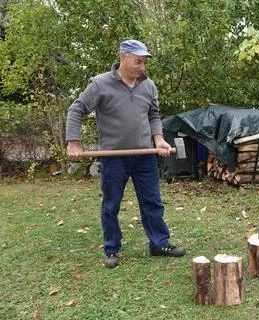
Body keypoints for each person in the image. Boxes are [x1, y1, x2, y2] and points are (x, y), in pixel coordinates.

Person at [66, 39, 185, 268]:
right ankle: (111, 249)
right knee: (111, 204)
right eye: (138, 61)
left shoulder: (148, 85)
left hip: (145, 156)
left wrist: (158, 140)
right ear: (123, 56)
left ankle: (159, 244)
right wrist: (74, 142)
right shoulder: (100, 84)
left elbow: (153, 115)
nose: (142, 67)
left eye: (144, 62)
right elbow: (76, 109)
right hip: (113, 157)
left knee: (152, 201)